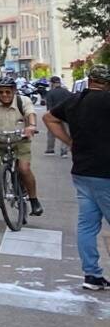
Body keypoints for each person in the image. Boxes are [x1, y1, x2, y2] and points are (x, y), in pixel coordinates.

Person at [46, 62, 110, 291]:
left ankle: (92, 275)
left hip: (82, 172)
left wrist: (69, 141)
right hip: (106, 172)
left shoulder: (75, 101)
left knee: (87, 226)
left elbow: (49, 118)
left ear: (90, 80)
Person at [0, 79, 42, 219]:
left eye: (8, 92)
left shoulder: (23, 101)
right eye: (1, 92)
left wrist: (31, 126)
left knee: (24, 169)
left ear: (14, 91)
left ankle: (34, 200)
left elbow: (30, 114)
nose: (4, 95)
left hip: (20, 142)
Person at [43, 75, 72, 156]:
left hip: (54, 115)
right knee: (66, 133)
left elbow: (49, 106)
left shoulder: (50, 93)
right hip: (65, 115)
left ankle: (50, 149)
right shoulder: (66, 92)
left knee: (51, 132)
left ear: (52, 83)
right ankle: (64, 151)